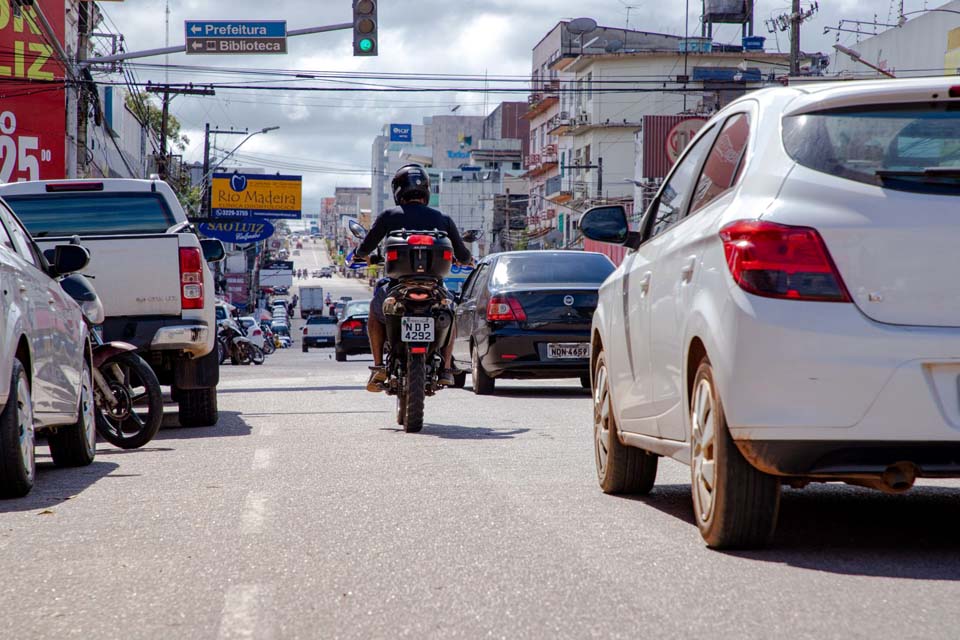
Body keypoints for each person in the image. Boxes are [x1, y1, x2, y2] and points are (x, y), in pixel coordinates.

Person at [353, 164, 472, 392]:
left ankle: (379, 366)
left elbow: (365, 248)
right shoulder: (442, 219)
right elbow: (464, 255)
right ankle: (446, 368)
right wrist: (463, 259)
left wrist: (360, 255)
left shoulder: (389, 216)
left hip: (397, 287)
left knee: (374, 312)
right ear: (426, 190)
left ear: (398, 190)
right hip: (434, 287)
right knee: (450, 313)